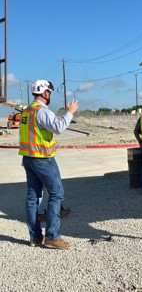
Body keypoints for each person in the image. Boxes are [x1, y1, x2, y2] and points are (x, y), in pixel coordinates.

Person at [19, 79, 78, 249]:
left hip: (28, 158)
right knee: (56, 194)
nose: (50, 95)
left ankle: (35, 237)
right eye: (49, 92)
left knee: (33, 197)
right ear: (45, 93)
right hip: (43, 158)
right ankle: (52, 236)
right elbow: (58, 128)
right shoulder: (42, 111)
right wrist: (70, 112)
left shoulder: (27, 111)